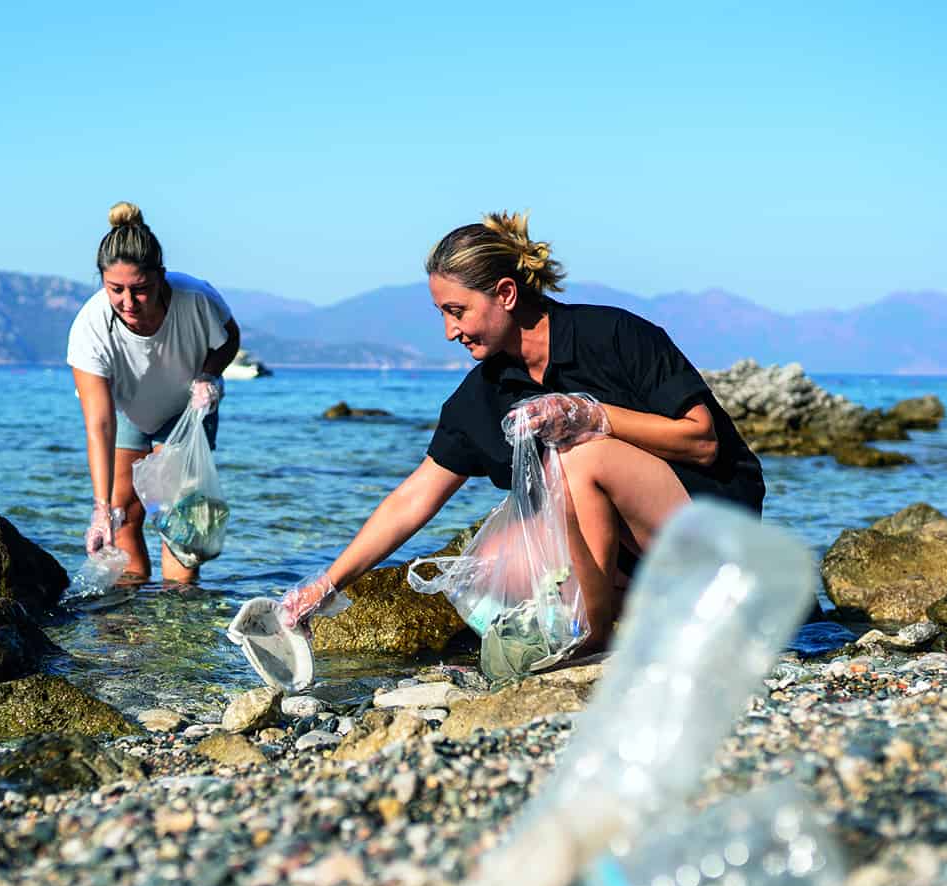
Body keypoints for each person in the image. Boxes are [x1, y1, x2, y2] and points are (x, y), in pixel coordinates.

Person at [279, 212, 764, 649]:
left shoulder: (615, 336)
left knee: (580, 456)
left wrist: (591, 416)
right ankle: (628, 609)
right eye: (442, 314)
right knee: (488, 564)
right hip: (637, 552)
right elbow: (414, 498)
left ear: (506, 295)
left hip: (712, 527)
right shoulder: (483, 394)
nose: (450, 332)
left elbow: (701, 441)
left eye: (457, 311)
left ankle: (590, 639)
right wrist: (326, 585)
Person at [67, 201, 241, 582]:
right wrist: (100, 508)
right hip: (127, 411)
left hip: (186, 408)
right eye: (116, 290)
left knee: (180, 516)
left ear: (160, 277)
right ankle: (135, 613)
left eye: (140, 289)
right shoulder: (90, 328)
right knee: (122, 512)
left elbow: (229, 339)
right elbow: (99, 424)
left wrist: (209, 376)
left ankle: (177, 616)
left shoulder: (197, 299)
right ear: (102, 281)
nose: (128, 303)